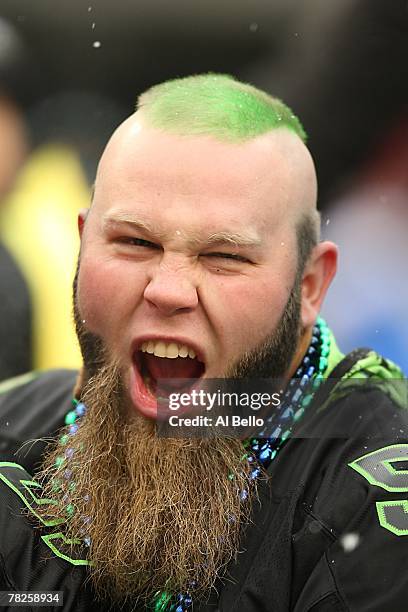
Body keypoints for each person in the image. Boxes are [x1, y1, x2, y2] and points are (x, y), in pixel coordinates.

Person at [0, 74, 407, 612]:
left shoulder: (370, 497)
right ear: (82, 245)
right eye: (135, 243)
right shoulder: (11, 429)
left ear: (309, 287)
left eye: (225, 257)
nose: (167, 291)